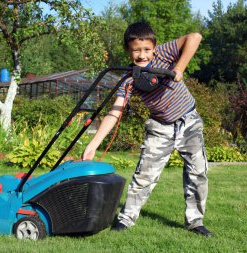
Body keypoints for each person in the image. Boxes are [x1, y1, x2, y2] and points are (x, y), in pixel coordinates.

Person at [81, 21, 213, 237]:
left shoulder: (163, 54)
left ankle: (195, 221)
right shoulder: (128, 80)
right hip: (160, 128)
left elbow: (195, 37)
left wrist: (179, 67)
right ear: (127, 50)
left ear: (154, 47)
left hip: (188, 121)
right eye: (136, 51)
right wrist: (93, 144)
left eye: (146, 50)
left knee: (198, 172)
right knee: (144, 176)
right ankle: (126, 219)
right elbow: (115, 112)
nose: (142, 55)